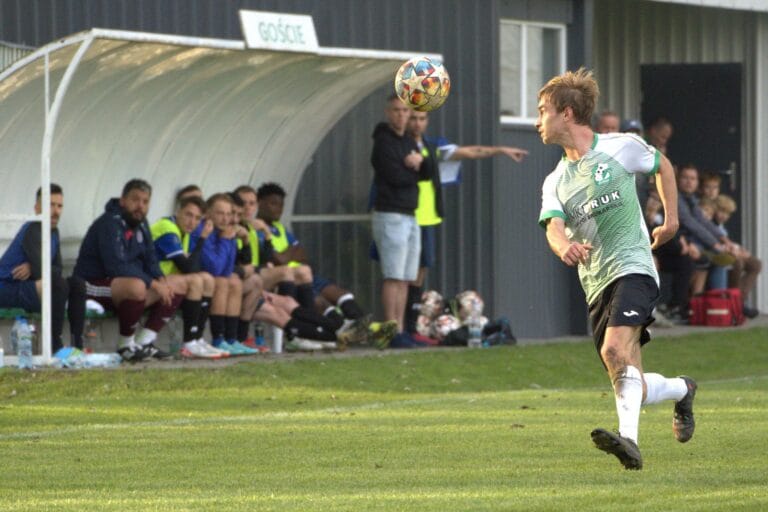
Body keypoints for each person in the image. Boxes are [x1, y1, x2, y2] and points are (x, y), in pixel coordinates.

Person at [536, 68, 696, 470]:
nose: (538, 120)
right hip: (596, 283)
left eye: (543, 111)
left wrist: (672, 219)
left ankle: (630, 443)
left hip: (635, 266)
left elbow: (663, 166)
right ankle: (682, 389)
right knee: (632, 383)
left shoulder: (619, 147)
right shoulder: (555, 180)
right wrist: (564, 248)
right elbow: (553, 228)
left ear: (567, 113)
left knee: (613, 348)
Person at [403, 110, 528, 334]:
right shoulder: (401, 146)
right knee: (404, 272)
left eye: (421, 119)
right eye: (413, 118)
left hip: (427, 216)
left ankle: (412, 326)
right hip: (405, 215)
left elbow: (469, 152)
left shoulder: (433, 148)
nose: (417, 123)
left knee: (420, 269)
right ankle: (403, 326)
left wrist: (500, 150)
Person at [74, 179, 186, 361]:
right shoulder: (109, 223)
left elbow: (151, 259)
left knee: (178, 283)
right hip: (91, 285)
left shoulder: (142, 224)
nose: (140, 206)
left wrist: (161, 279)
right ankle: (125, 345)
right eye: (135, 199)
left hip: (125, 286)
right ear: (123, 200)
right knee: (137, 286)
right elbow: (117, 266)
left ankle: (144, 342)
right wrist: (154, 284)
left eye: (145, 201)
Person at [0, 184, 86, 352]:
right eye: (50, 205)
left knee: (77, 284)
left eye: (59, 206)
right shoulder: (33, 229)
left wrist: (32, 268)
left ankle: (78, 345)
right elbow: (44, 272)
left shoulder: (54, 231)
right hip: (6, 287)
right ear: (37, 207)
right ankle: (54, 345)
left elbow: (57, 268)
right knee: (57, 284)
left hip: (27, 286)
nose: (56, 211)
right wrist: (36, 268)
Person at [370, 94, 424, 343]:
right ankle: (389, 331)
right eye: (396, 110)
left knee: (405, 277)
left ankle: (400, 330)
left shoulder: (410, 142)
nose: (401, 115)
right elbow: (395, 176)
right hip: (391, 214)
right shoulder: (383, 142)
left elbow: (427, 173)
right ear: (387, 112)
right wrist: (411, 169)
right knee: (393, 276)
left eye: (405, 111)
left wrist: (417, 163)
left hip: (410, 214)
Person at [151, 196, 227, 359]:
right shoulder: (167, 228)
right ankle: (189, 342)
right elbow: (188, 267)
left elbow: (195, 265)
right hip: (149, 282)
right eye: (188, 215)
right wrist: (202, 239)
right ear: (177, 211)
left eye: (197, 218)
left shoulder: (183, 233)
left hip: (165, 282)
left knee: (207, 279)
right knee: (196, 280)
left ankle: (197, 338)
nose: (192, 222)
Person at [677, 164, 734, 293]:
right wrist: (715, 244)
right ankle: (699, 302)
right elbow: (690, 223)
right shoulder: (676, 198)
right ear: (678, 179)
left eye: (692, 179)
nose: (688, 182)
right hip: (678, 241)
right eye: (685, 177)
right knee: (713, 258)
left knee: (730, 258)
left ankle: (730, 302)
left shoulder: (692, 200)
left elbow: (703, 222)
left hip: (695, 242)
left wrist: (724, 240)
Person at [713, 195, 761, 318]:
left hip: (726, 251)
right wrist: (736, 251)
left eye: (727, 213)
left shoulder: (721, 226)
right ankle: (735, 301)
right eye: (721, 211)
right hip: (715, 253)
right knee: (737, 262)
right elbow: (717, 242)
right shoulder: (711, 223)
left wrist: (739, 249)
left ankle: (740, 298)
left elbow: (727, 242)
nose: (723, 216)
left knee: (755, 264)